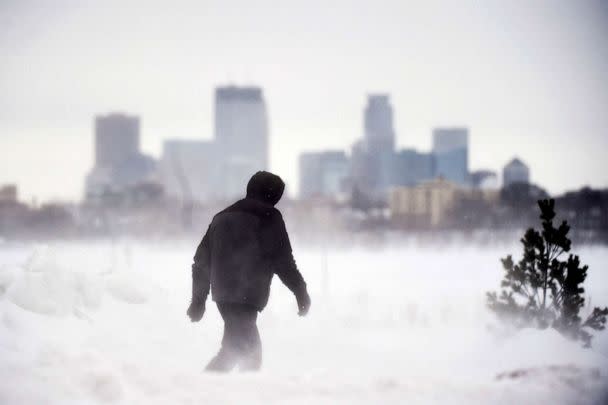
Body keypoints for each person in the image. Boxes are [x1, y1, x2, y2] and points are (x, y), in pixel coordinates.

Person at [187, 171, 311, 372]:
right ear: (274, 195)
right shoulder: (269, 216)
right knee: (249, 353)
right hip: (247, 295)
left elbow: (201, 261)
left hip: (224, 296)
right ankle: (209, 392)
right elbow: (283, 261)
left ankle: (213, 391)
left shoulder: (221, 217)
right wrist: (300, 292)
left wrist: (198, 301)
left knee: (234, 350)